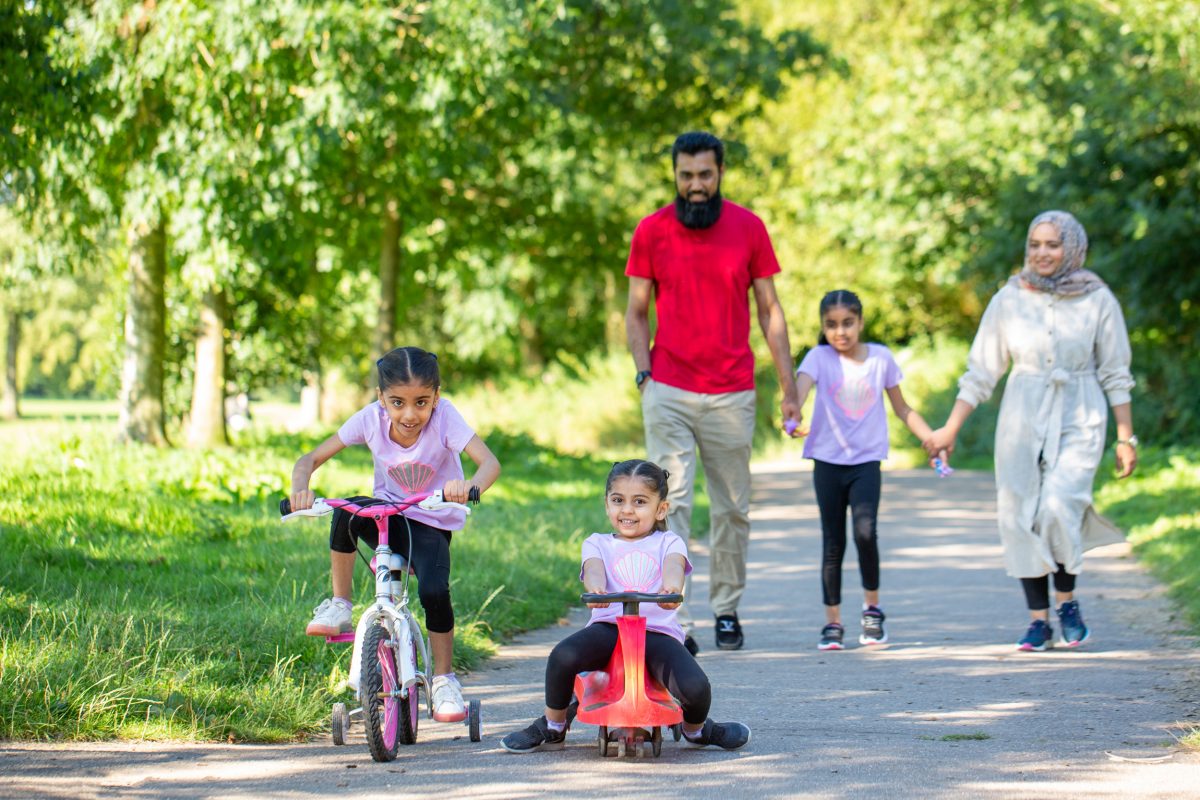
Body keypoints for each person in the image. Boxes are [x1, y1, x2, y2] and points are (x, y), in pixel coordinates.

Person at [926, 210, 1137, 651]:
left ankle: (1067, 602)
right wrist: (951, 428)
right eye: (1035, 244)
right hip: (1022, 411)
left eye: (1053, 244)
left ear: (1072, 248)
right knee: (1018, 512)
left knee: (1060, 505)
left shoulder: (1097, 298)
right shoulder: (1009, 297)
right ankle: (1037, 621)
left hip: (1080, 411)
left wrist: (1125, 436)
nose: (1042, 253)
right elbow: (981, 372)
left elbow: (1117, 372)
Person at [625, 131, 801, 652]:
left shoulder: (749, 228)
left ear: (719, 173)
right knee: (669, 504)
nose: (695, 185)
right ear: (675, 175)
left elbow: (770, 311)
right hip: (669, 388)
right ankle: (675, 617)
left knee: (731, 508)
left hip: (731, 391)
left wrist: (789, 388)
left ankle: (726, 609)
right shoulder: (652, 230)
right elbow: (636, 311)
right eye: (686, 176)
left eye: (705, 175)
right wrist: (644, 375)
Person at [288, 346, 501, 720]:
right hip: (388, 515)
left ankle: (444, 680)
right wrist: (301, 490)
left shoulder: (445, 418)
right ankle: (341, 604)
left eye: (421, 402)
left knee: (434, 590)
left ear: (436, 396)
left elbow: (489, 463)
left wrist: (470, 486)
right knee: (347, 512)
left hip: (431, 520)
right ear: (380, 398)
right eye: (397, 402)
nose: (409, 414)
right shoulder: (370, 419)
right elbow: (310, 459)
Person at [500, 459, 751, 753]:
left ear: (661, 509)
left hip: (656, 634)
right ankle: (553, 724)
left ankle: (694, 729)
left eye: (640, 502)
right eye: (618, 500)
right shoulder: (597, 543)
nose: (627, 510)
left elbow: (674, 567)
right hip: (608, 629)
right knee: (562, 656)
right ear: (607, 504)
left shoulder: (669, 542)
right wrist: (596, 587)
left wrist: (671, 587)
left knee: (696, 687)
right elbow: (593, 569)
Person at [789, 290, 938, 650]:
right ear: (823, 327)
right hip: (827, 462)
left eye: (847, 323)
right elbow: (799, 394)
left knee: (866, 533)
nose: (840, 332)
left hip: (866, 462)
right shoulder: (818, 358)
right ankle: (833, 622)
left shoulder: (880, 359)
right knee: (833, 542)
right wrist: (792, 416)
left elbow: (903, 408)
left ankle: (873, 610)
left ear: (860, 323)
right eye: (831, 325)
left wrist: (930, 438)